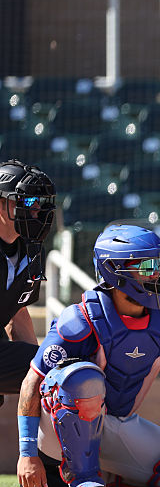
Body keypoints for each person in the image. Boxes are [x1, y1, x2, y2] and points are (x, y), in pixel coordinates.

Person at [16, 224, 160, 487]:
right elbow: (32, 382)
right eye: (146, 266)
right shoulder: (80, 319)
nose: (156, 273)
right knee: (81, 377)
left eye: (157, 265)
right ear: (114, 270)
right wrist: (27, 453)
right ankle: (82, 477)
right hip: (58, 430)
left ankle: (107, 477)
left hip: (119, 422)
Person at [0, 159, 56, 403]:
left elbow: (18, 313)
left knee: (57, 370)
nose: (36, 211)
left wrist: (40, 372)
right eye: (28, 201)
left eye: (39, 203)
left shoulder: (30, 250)